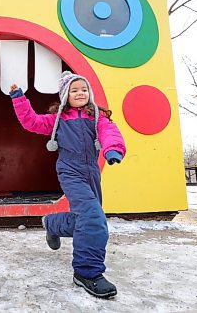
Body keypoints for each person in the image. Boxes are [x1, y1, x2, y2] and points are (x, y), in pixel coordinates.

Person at [9, 71, 126, 299]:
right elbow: (31, 121)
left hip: (91, 172)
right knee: (93, 219)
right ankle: (87, 273)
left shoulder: (97, 117)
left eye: (84, 89)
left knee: (86, 220)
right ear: (65, 96)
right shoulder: (58, 120)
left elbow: (110, 132)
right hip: (70, 171)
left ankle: (52, 223)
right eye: (74, 90)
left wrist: (113, 149)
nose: (80, 93)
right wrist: (18, 98)